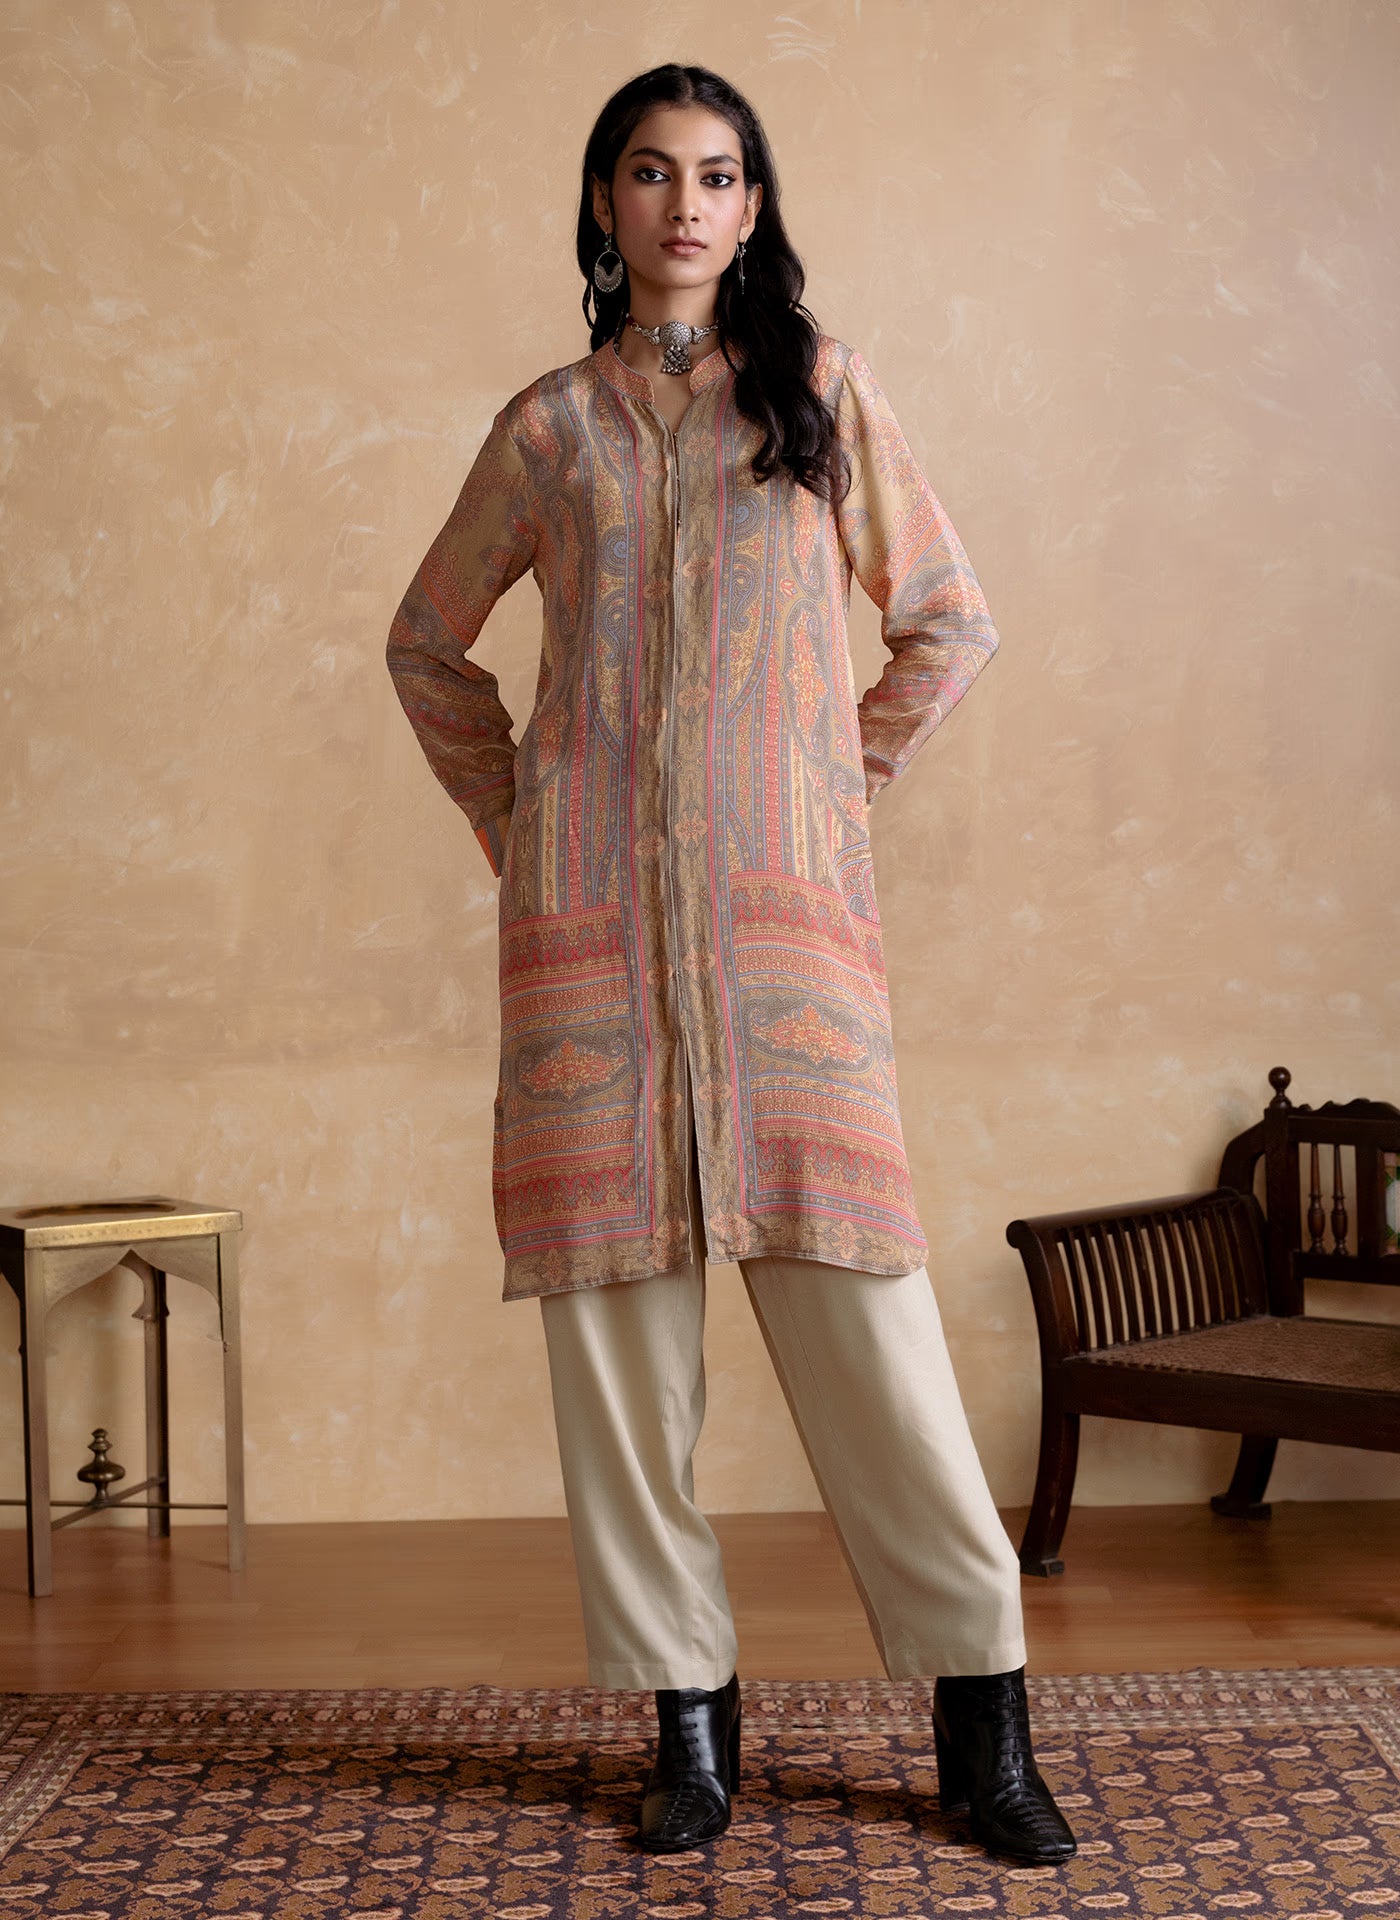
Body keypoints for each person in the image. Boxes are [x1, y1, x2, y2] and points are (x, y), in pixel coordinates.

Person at [385, 62, 1075, 1866]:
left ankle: (981, 1725)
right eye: (648, 173)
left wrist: (828, 786)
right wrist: (528, 818)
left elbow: (949, 617)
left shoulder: (822, 403)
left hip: (790, 948)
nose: (684, 204)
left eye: (717, 175)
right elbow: (428, 647)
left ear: (753, 210)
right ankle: (689, 1724)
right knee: (621, 1360)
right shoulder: (548, 432)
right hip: (593, 959)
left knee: (871, 1335)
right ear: (605, 206)